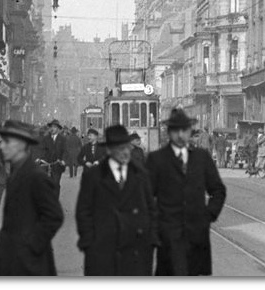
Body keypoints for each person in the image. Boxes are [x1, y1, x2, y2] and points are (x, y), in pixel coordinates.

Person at [146, 108, 227, 276]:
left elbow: (218, 190)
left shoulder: (201, 157)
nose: (180, 135)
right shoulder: (157, 159)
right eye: (176, 130)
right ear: (169, 133)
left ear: (190, 132)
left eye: (184, 130)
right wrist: (156, 225)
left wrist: (208, 215)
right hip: (168, 234)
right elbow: (144, 196)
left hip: (196, 234)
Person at [76, 124, 158, 275]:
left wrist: (150, 241)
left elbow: (151, 209)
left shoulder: (141, 175)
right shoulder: (93, 176)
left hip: (136, 251)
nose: (125, 152)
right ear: (108, 150)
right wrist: (89, 242)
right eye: (120, 148)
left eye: (127, 147)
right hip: (102, 250)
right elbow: (83, 211)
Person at [0, 120, 64, 276]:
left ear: (20, 144)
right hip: (12, 260)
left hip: (30, 265)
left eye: (6, 142)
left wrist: (31, 247)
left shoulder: (35, 176)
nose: (1, 146)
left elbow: (54, 216)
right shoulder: (16, 174)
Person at [37, 119, 67, 188]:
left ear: (58, 129)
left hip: (57, 165)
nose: (52, 129)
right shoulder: (46, 138)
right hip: (47, 165)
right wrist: (40, 158)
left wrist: (63, 160)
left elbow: (65, 151)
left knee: (56, 184)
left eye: (54, 127)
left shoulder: (62, 139)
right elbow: (42, 150)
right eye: (51, 127)